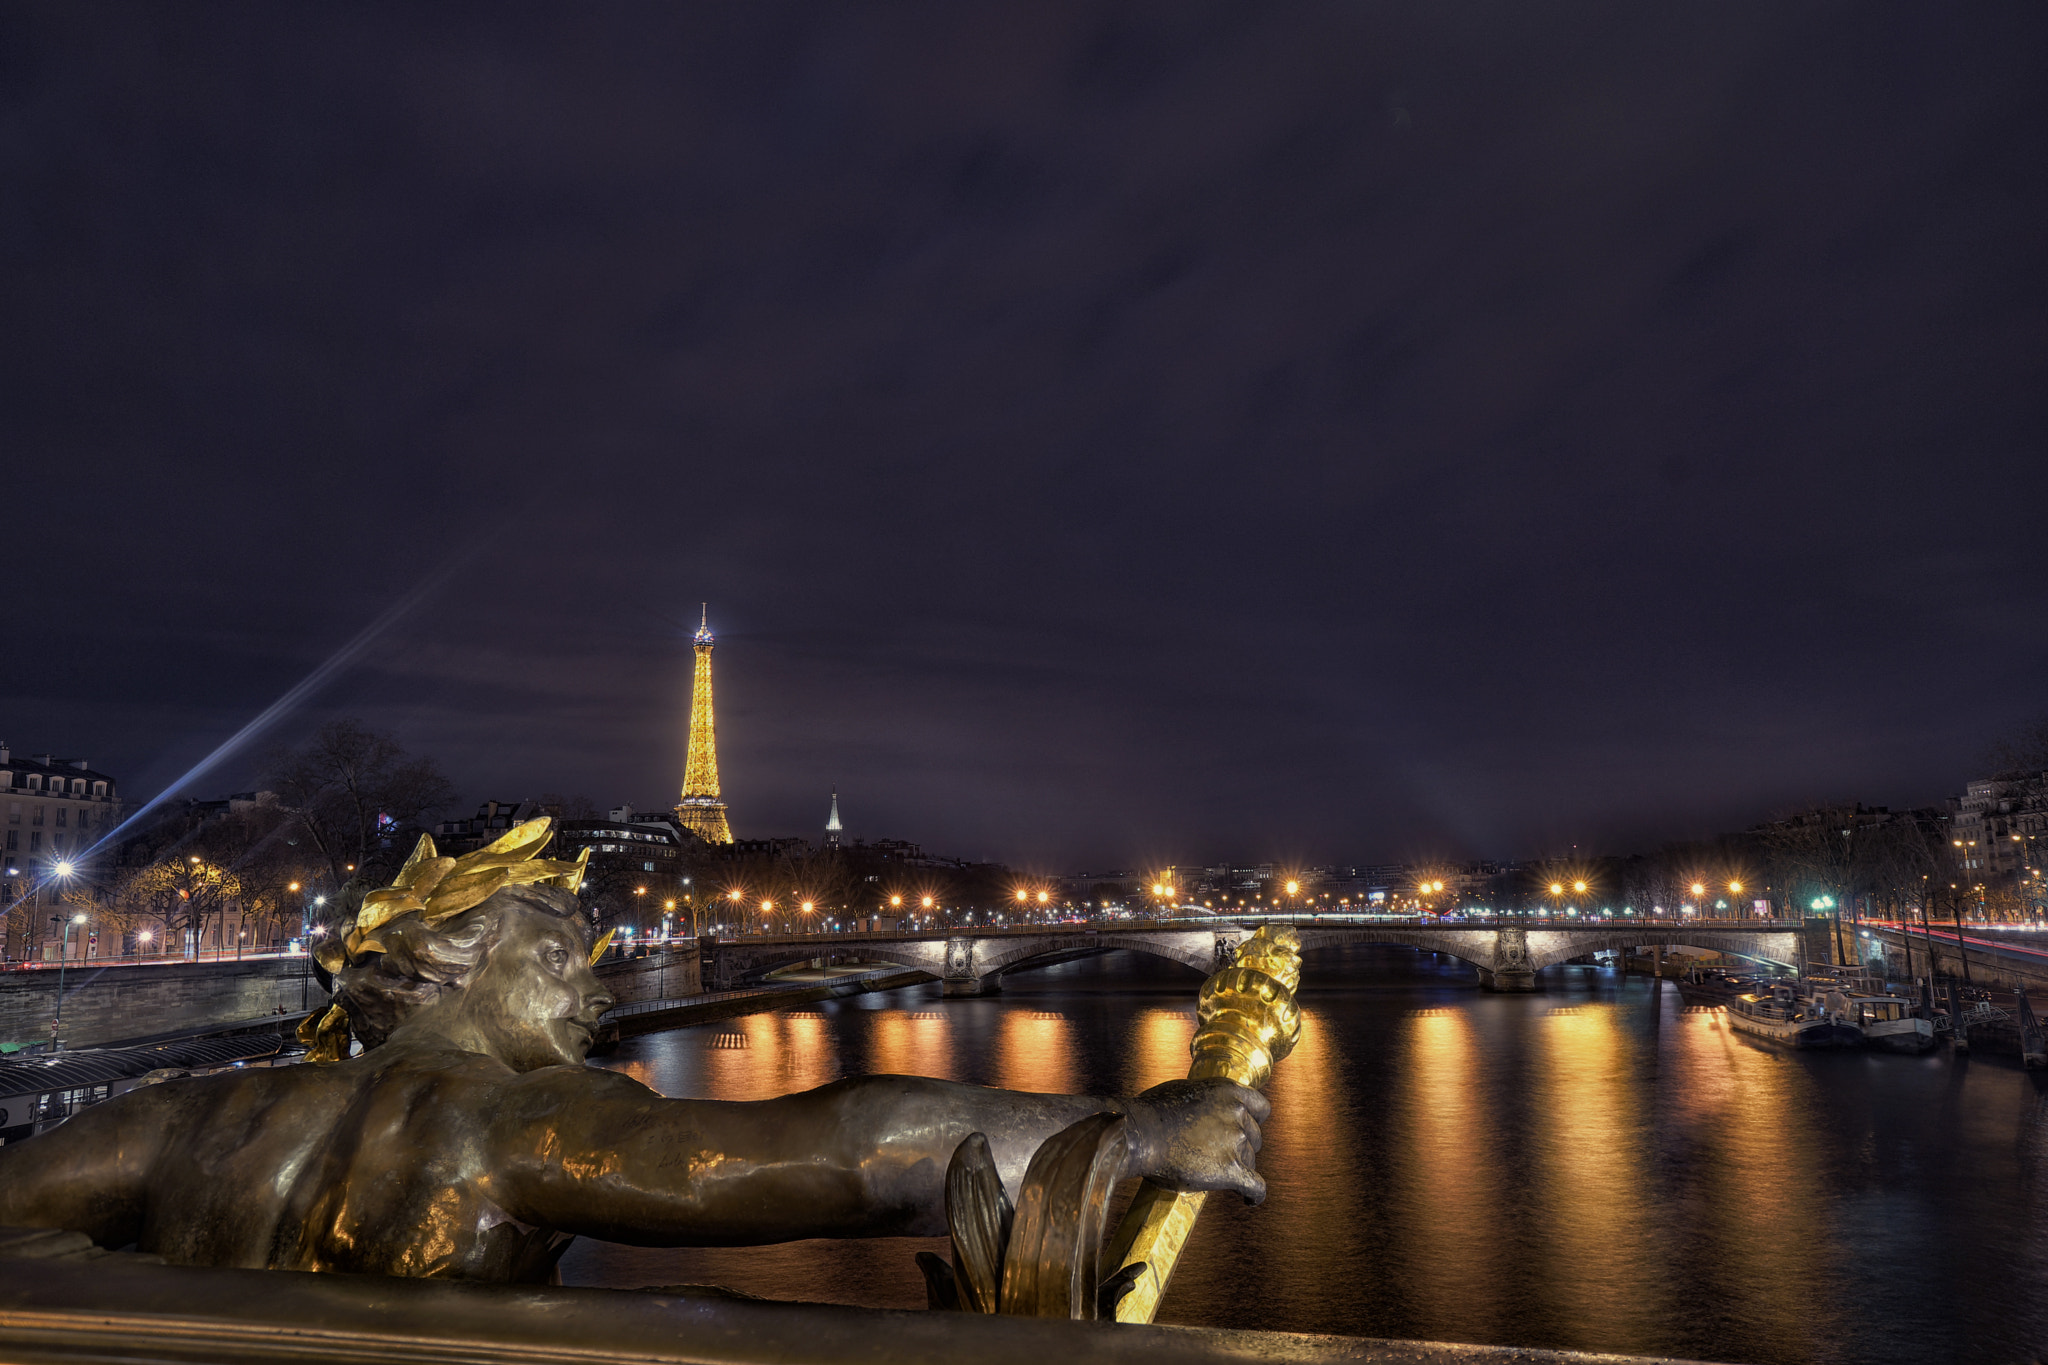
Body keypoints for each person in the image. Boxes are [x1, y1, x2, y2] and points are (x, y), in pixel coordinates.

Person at [0, 822, 1266, 1283]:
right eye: (557, 949)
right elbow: (845, 1145)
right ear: (449, 964)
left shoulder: (181, 1115)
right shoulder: (506, 1124)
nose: (591, 978)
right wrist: (1144, 1130)